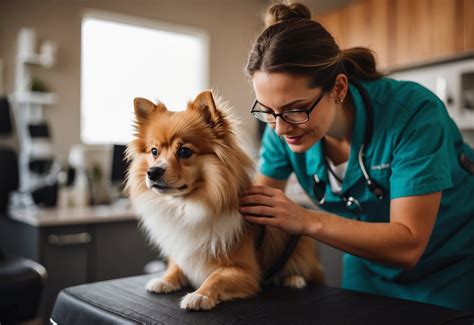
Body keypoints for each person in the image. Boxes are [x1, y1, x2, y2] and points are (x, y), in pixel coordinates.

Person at [239, 2, 474, 313]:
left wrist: (305, 219)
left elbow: (408, 244)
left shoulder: (414, 113)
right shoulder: (282, 129)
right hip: (367, 265)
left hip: (450, 264)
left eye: (296, 109)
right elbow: (254, 216)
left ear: (338, 87)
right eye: (267, 112)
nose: (281, 128)